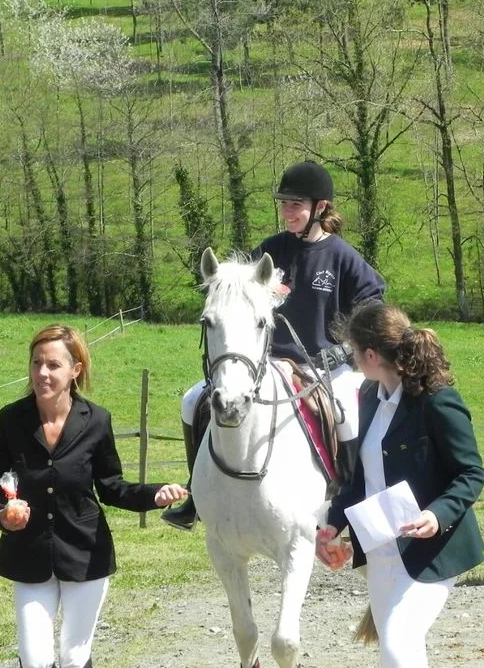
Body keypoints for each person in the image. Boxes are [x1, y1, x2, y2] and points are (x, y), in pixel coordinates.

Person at [162, 159, 386, 530]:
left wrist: (344, 350)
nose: (288, 212)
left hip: (322, 367)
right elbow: (235, 292)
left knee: (347, 412)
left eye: (296, 205)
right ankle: (196, 496)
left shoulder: (342, 257)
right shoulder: (271, 250)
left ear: (320, 207)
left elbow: (372, 309)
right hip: (268, 365)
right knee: (192, 401)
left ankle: (346, 500)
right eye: (284, 204)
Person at [0, 324, 187, 668]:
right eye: (36, 363)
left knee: (74, 659)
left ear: (75, 370)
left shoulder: (97, 420)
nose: (42, 373)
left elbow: (111, 487)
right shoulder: (10, 419)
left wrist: (155, 495)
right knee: (35, 661)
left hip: (86, 553)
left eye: (53, 365)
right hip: (27, 554)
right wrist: (1, 513)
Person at [315, 301, 484, 668]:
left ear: (371, 355)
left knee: (397, 645)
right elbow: (359, 478)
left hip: (431, 550)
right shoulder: (367, 396)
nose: (352, 359)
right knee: (398, 654)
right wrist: (331, 525)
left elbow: (471, 473)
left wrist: (437, 515)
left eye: (354, 351)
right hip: (381, 551)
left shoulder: (437, 401)